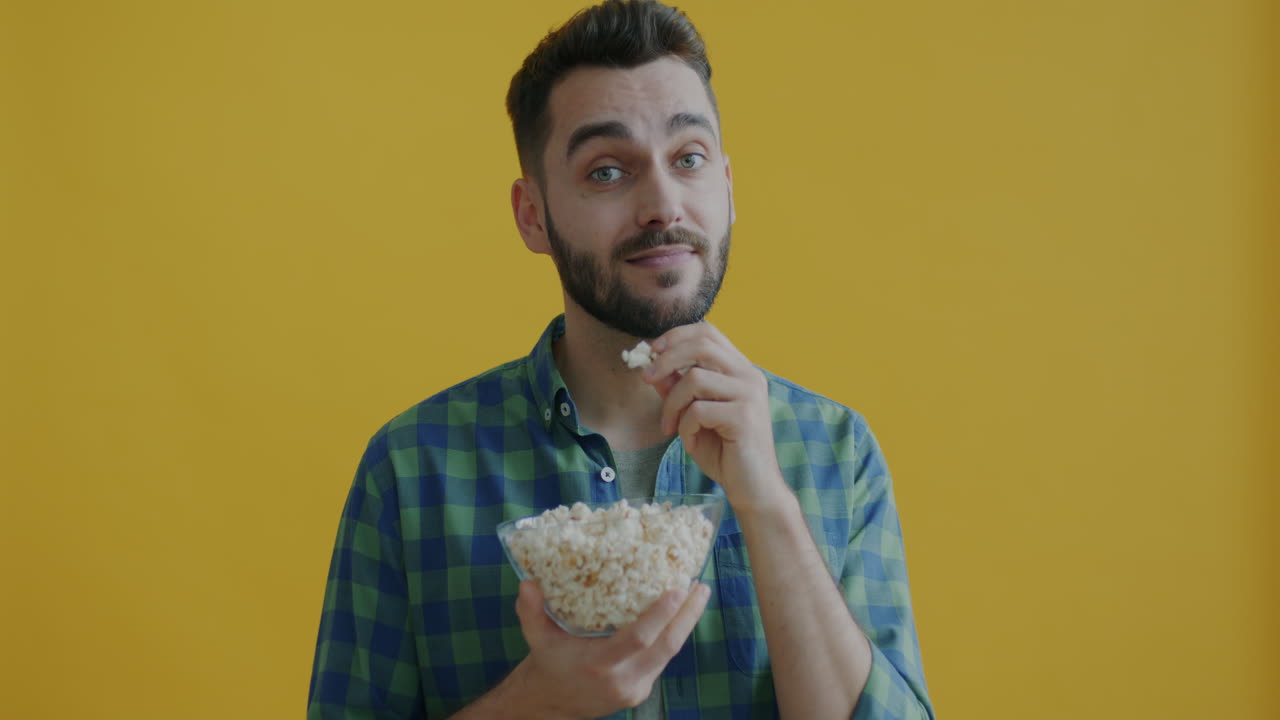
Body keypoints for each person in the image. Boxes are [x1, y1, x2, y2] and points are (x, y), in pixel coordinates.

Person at [307, 1, 933, 718]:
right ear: (532, 215)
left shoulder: (835, 453)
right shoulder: (411, 471)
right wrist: (535, 701)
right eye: (607, 171)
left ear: (726, 186)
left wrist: (767, 504)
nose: (663, 203)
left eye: (688, 158)